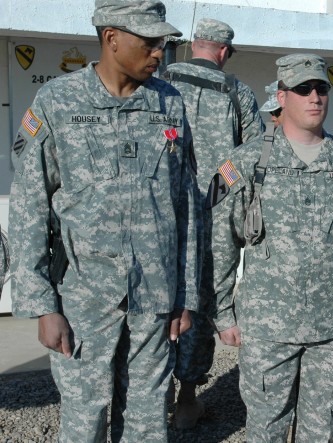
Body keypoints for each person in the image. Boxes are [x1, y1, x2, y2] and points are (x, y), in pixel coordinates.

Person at [8, 1, 200, 441]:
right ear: (112, 38)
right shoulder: (57, 101)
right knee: (84, 418)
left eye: (162, 43)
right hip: (83, 299)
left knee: (149, 418)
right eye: (149, 42)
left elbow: (186, 204)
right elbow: (30, 207)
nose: (158, 52)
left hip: (154, 296)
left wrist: (185, 294)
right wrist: (42, 305)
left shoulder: (169, 103)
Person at [207, 53, 333, 442]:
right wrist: (222, 313)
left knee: (323, 431)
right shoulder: (248, 161)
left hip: (332, 326)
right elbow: (221, 242)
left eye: (321, 88)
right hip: (268, 328)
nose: (314, 96)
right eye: (303, 89)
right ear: (283, 95)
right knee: (265, 430)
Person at [164, 17, 264, 429]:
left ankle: (149, 398)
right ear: (223, 52)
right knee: (204, 302)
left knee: (156, 296)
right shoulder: (237, 92)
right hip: (215, 211)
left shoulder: (160, 79)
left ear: (192, 46)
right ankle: (187, 400)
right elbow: (256, 152)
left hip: (163, 210)